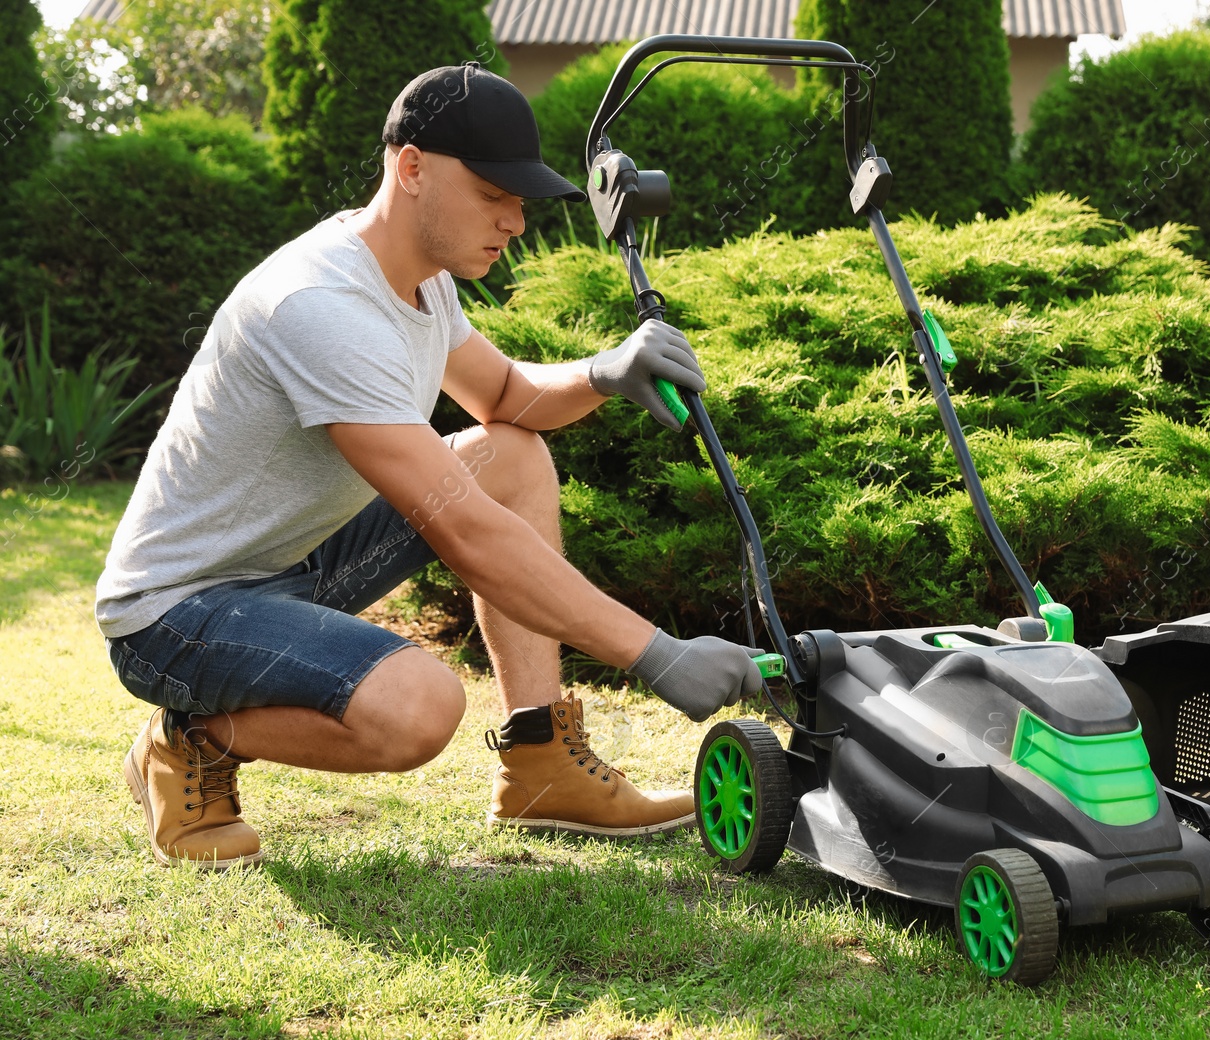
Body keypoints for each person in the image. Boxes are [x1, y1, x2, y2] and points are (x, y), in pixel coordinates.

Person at [95, 63, 764, 870]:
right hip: (176, 612)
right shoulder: (320, 306)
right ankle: (187, 736)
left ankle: (540, 761)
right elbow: (467, 531)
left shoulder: (421, 283)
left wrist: (603, 371)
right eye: (494, 193)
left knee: (509, 455)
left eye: (520, 198)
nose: (515, 220)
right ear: (411, 167)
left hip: (292, 569)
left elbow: (508, 396)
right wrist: (656, 652)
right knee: (419, 706)